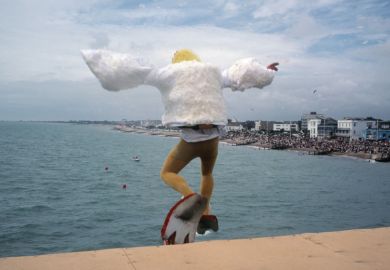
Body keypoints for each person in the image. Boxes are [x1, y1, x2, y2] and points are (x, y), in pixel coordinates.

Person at [81, 48, 278, 234]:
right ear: (196, 60)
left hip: (191, 140)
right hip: (213, 139)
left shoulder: (169, 73)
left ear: (175, 63)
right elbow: (240, 74)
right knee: (207, 173)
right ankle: (206, 214)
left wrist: (99, 61)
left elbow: (135, 70)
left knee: (167, 172)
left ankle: (189, 196)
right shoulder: (213, 73)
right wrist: (265, 72)